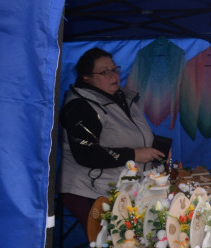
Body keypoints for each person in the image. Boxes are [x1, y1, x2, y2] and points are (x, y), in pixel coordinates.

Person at [59, 48, 165, 231]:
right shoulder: (80, 105)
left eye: (115, 69)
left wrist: (158, 148)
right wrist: (134, 154)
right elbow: (86, 153)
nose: (113, 75)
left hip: (124, 188)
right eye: (104, 72)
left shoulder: (124, 98)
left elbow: (131, 133)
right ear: (86, 77)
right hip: (89, 190)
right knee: (114, 245)